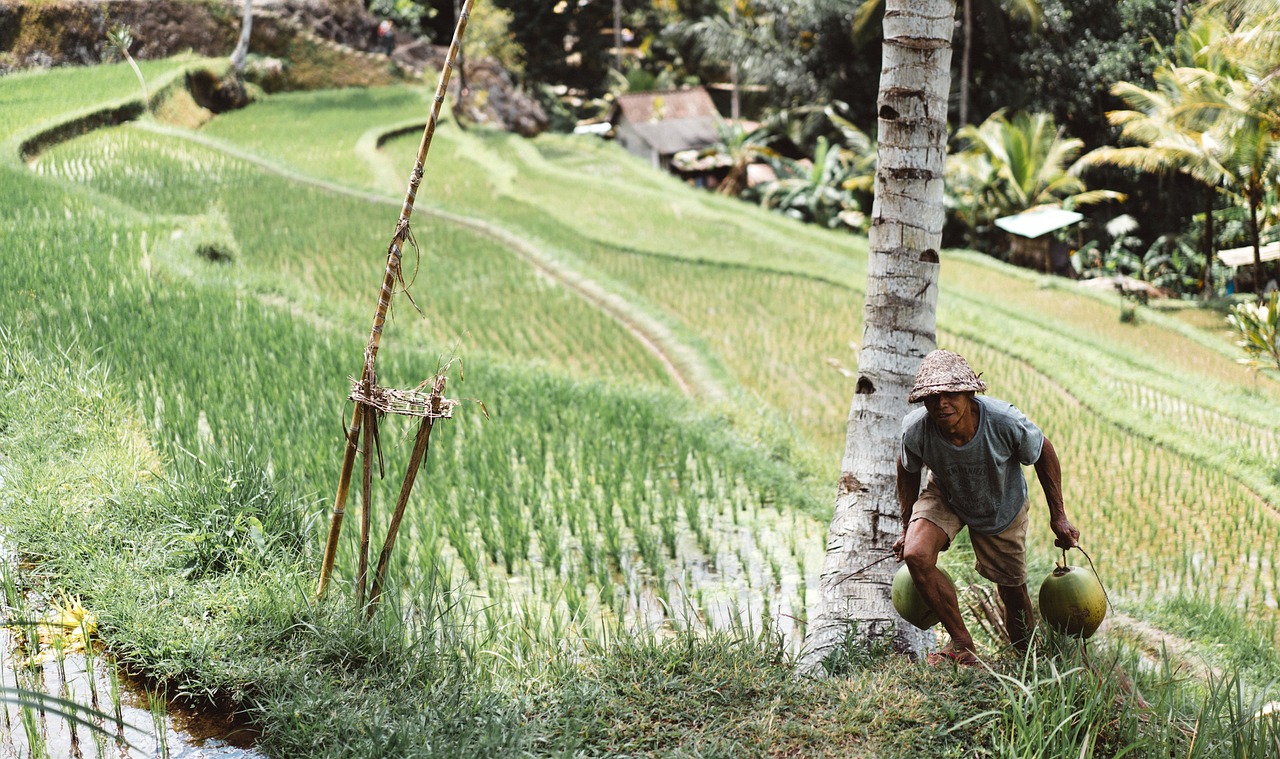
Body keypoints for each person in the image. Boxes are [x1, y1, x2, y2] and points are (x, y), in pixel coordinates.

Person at [892, 349, 1080, 665]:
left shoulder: (1003, 421)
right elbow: (907, 467)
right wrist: (906, 525)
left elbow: (1043, 449)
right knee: (915, 553)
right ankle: (962, 644)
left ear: (968, 393)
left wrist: (1058, 516)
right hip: (947, 493)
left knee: (1012, 592)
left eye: (950, 394)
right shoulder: (916, 430)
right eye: (932, 398)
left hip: (1000, 503)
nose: (941, 404)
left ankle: (1026, 661)